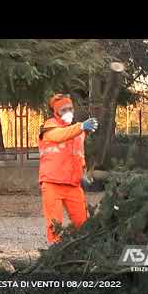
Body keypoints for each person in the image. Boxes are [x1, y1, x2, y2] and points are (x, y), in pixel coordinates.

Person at [39, 94, 98, 244]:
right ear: (56, 111)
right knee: (54, 226)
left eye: (70, 108)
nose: (68, 112)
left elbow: (79, 155)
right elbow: (60, 136)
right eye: (64, 109)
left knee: (83, 223)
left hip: (73, 185)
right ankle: (54, 253)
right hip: (52, 184)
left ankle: (84, 252)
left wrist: (83, 173)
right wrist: (81, 126)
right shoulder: (49, 127)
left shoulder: (79, 133)